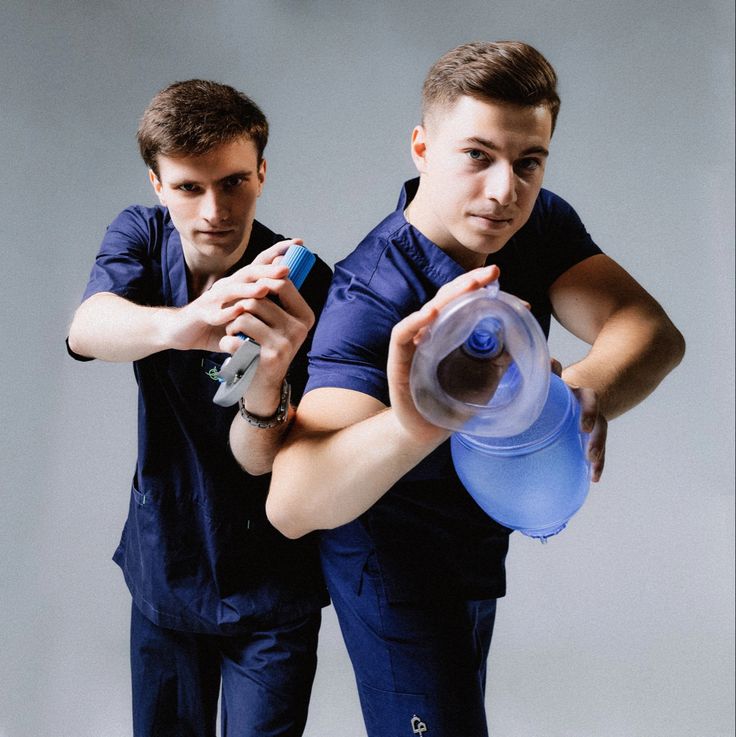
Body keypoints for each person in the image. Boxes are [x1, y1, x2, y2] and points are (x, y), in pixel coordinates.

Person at [264, 41, 686, 736]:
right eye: (477, 156)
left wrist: (579, 392)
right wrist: (422, 415)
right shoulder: (371, 294)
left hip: (471, 539)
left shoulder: (534, 223)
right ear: (422, 147)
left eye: (529, 162)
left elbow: (649, 329)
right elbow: (292, 500)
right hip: (392, 565)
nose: (504, 191)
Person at [67, 79, 332, 737]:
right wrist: (188, 324)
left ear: (262, 173)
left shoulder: (301, 282)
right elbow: (86, 329)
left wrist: (267, 382)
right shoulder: (138, 236)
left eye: (234, 182)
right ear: (158, 184)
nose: (215, 208)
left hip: (273, 579)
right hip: (167, 561)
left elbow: (259, 456)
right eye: (189, 187)